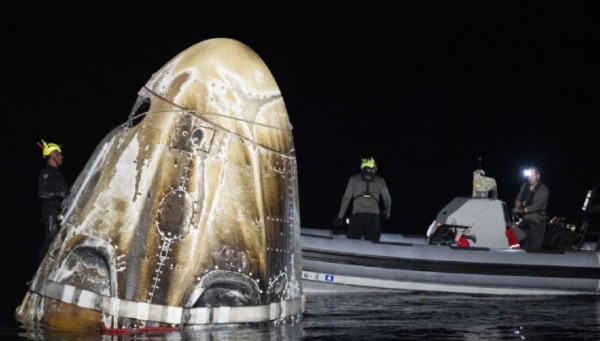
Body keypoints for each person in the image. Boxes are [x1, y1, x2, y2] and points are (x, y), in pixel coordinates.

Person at [333, 157, 392, 242]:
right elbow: (387, 198)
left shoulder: (353, 179)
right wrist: (387, 210)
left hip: (357, 216)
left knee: (352, 243)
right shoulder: (380, 180)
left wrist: (340, 217)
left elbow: (346, 198)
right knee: (373, 245)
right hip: (373, 217)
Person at [37, 140, 69, 263]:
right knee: (51, 241)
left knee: (61, 240)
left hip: (60, 211)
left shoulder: (57, 174)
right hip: (50, 212)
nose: (62, 156)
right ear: (53, 155)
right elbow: (42, 193)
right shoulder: (46, 172)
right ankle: (40, 270)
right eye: (59, 154)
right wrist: (60, 193)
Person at [512, 166, 549, 251]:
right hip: (525, 225)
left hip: (537, 226)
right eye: (528, 176)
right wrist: (516, 207)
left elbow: (537, 205)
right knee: (523, 249)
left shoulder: (543, 189)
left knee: (534, 251)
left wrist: (521, 210)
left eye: (532, 175)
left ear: (538, 175)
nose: (530, 178)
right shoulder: (525, 186)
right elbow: (518, 198)